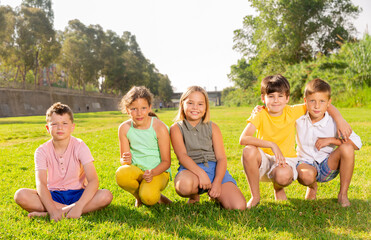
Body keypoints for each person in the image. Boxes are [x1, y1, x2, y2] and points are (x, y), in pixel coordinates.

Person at [239, 74, 352, 208]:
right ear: (263, 98)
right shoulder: (260, 114)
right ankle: (255, 197)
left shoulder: (292, 111)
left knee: (282, 176)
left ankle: (278, 188)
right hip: (263, 159)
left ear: (287, 98)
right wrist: (272, 145)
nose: (276, 101)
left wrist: (340, 119)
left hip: (285, 160)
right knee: (248, 151)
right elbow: (244, 138)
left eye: (280, 96)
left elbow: (321, 102)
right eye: (271, 96)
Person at [14, 102, 113, 222]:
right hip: (53, 195)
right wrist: (51, 208)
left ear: (72, 127)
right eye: (54, 124)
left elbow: (93, 180)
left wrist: (79, 206)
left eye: (65, 123)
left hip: (79, 194)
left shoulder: (80, 146)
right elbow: (41, 183)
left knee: (106, 196)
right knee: (21, 195)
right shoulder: (41, 151)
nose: (60, 127)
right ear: (47, 128)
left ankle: (58, 212)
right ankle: (61, 211)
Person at [170, 86, 246, 210]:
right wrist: (201, 174)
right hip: (191, 170)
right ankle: (194, 196)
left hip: (214, 169)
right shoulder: (176, 128)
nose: (195, 107)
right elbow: (182, 156)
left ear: (206, 108)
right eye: (190, 103)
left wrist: (217, 183)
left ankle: (215, 194)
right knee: (183, 186)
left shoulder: (213, 127)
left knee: (239, 207)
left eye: (200, 104)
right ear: (182, 104)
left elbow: (221, 158)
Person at [296, 79, 362, 207]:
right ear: (305, 101)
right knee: (307, 176)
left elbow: (357, 143)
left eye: (322, 101)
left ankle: (343, 194)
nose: (316, 106)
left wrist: (331, 140)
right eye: (312, 101)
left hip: (327, 164)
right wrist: (260, 110)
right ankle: (312, 187)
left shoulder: (334, 122)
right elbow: (279, 110)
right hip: (305, 164)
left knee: (347, 147)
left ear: (328, 103)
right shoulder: (298, 118)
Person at [115, 86, 172, 207]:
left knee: (149, 198)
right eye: (134, 109)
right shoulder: (124, 128)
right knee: (121, 174)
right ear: (127, 109)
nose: (139, 113)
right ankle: (139, 196)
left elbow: (166, 162)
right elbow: (123, 161)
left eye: (143, 108)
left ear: (150, 107)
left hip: (158, 172)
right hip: (137, 171)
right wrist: (125, 160)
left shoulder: (159, 127)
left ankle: (149, 195)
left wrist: (152, 172)